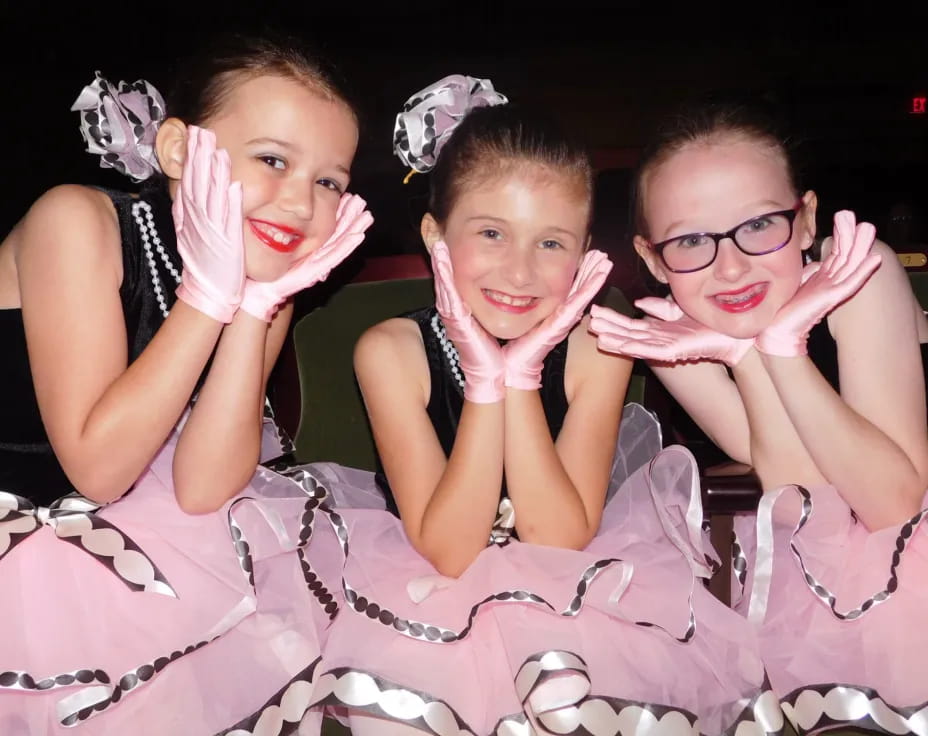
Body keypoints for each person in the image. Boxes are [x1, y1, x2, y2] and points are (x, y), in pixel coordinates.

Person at [301, 75, 775, 736]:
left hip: (576, 585)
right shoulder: (390, 351)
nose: (520, 272)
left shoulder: (596, 351)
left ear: (583, 255)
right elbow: (448, 550)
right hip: (421, 582)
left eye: (551, 243)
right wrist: (483, 382)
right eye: (491, 233)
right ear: (436, 236)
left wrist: (521, 377)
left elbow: (560, 539)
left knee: (578, 691)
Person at [0, 32, 372, 734]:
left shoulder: (268, 281)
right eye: (272, 160)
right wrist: (210, 297)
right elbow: (100, 467)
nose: (299, 204)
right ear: (177, 150)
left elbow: (204, 487)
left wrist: (256, 308)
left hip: (122, 537)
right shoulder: (77, 220)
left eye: (330, 182)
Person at [590, 101, 928, 734]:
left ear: (805, 222)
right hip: (814, 556)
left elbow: (895, 506)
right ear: (654, 258)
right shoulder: (674, 333)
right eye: (691, 240)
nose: (731, 266)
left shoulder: (857, 270)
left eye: (760, 224)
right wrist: (750, 358)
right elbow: (805, 499)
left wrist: (784, 350)